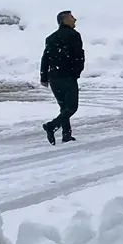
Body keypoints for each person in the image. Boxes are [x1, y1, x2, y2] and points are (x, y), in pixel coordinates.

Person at [40, 10, 85, 145]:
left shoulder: (50, 38)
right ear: (64, 20)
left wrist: (43, 76)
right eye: (71, 17)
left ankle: (66, 135)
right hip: (67, 76)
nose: (75, 19)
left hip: (53, 76)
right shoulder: (74, 35)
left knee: (64, 107)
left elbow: (45, 58)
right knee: (72, 107)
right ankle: (51, 126)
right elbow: (79, 56)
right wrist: (76, 72)